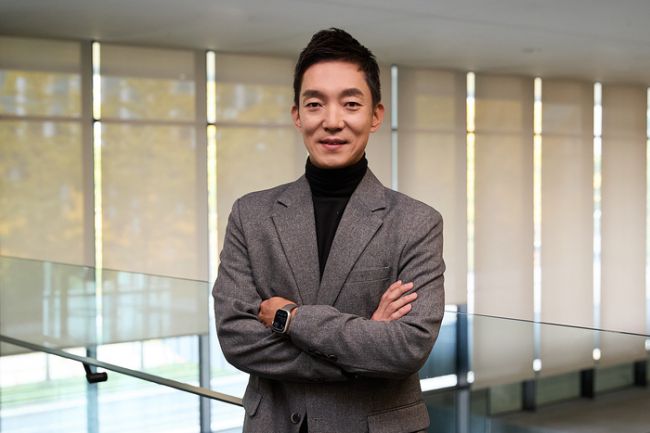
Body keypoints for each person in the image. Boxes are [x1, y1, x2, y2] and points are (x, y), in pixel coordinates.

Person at [213, 28, 445, 433]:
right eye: (315, 104)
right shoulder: (251, 215)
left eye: (351, 104)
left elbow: (407, 348)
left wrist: (291, 318)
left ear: (375, 115)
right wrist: (362, 347)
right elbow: (236, 338)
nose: (332, 121)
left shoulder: (416, 222)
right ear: (297, 115)